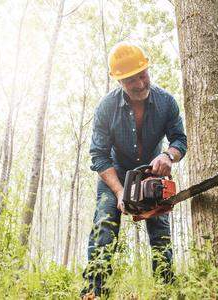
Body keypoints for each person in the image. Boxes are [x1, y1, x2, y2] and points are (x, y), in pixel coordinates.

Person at [81, 41, 187, 299]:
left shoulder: (166, 102)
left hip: (153, 172)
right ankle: (94, 291)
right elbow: (98, 156)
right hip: (115, 174)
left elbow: (179, 140)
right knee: (104, 226)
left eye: (142, 75)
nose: (140, 84)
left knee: (160, 231)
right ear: (119, 82)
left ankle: (165, 289)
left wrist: (168, 156)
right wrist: (119, 192)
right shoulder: (106, 107)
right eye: (131, 80)